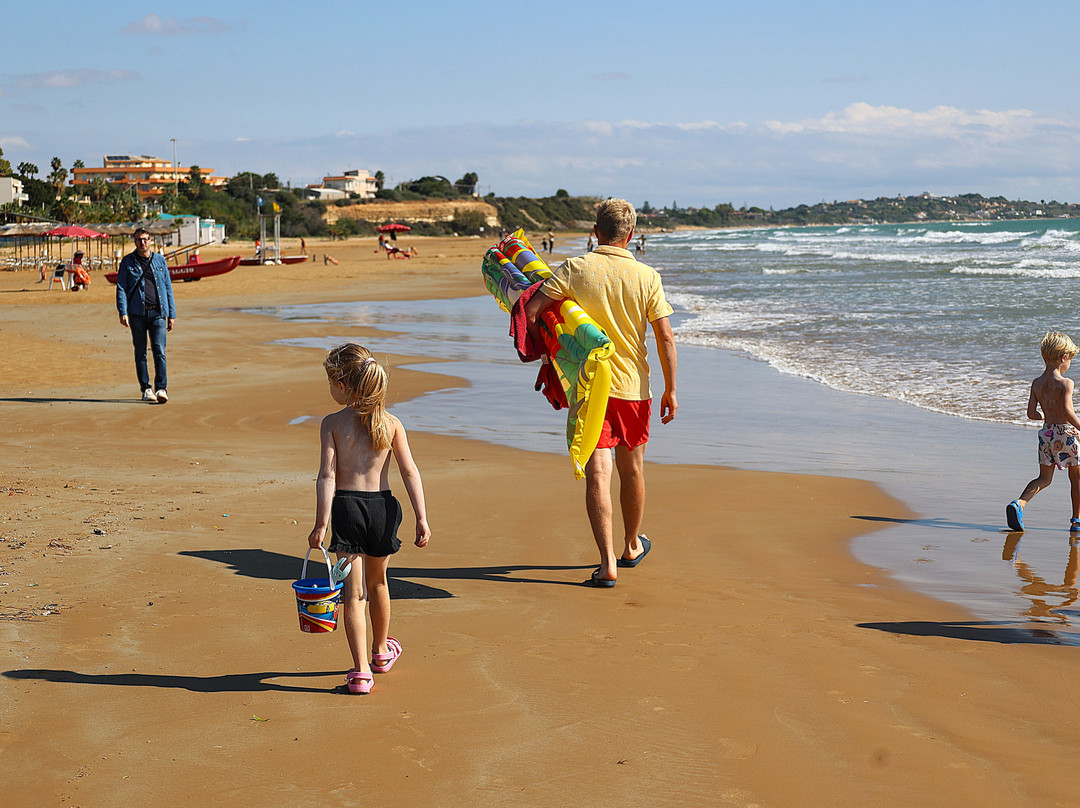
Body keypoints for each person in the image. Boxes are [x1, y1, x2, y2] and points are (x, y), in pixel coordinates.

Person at [525, 198, 677, 587]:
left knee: (598, 472)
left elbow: (534, 311)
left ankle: (607, 562)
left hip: (590, 387)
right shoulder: (647, 277)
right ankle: (630, 546)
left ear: (596, 232)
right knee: (633, 469)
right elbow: (664, 337)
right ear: (631, 234)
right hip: (633, 389)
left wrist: (551, 357)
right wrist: (671, 389)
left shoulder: (577, 268)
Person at [307, 344, 431, 694]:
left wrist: (321, 522)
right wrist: (422, 517)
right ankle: (379, 653)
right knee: (378, 583)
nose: (330, 390)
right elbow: (410, 472)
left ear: (344, 385)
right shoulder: (391, 424)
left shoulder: (332, 424)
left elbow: (327, 477)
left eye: (331, 383)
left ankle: (361, 672)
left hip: (347, 508)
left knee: (353, 594)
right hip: (383, 508)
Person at [1007, 332, 1080, 532]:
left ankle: (1020, 503)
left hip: (1047, 434)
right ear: (1063, 357)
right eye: (1070, 360)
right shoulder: (1066, 383)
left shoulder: (1037, 383)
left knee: (1044, 478)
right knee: (1076, 478)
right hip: (1067, 434)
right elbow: (1067, 411)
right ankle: (1076, 521)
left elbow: (1031, 413)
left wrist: (1046, 417)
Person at [115, 228, 176, 403]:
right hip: (136, 314)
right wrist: (123, 311)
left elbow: (167, 287)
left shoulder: (159, 260)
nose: (143, 242)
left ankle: (161, 388)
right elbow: (121, 288)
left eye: (146, 239)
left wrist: (171, 314)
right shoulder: (127, 262)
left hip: (158, 313)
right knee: (140, 352)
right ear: (135, 242)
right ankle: (146, 388)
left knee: (160, 351)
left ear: (151, 241)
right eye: (139, 240)